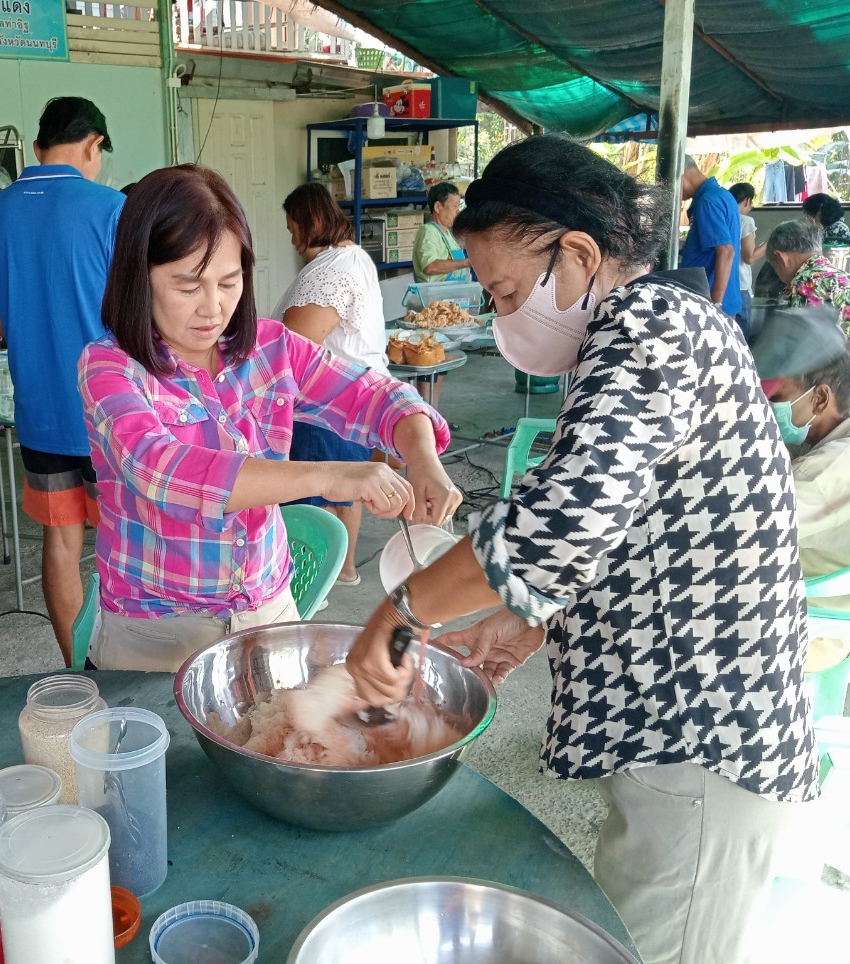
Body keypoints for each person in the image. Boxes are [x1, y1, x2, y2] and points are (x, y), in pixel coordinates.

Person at [346, 136, 817, 964]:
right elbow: (631, 523)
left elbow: (560, 522)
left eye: (505, 291)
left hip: (702, 741)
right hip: (681, 738)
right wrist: (531, 623)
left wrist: (400, 611)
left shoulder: (647, 326)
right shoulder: (648, 332)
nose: (499, 316)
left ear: (579, 254)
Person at [78, 165, 462, 673]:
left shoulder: (270, 347)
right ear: (138, 277)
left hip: (268, 612)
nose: (212, 308)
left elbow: (377, 394)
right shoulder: (110, 367)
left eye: (229, 282)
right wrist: (332, 475)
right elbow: (161, 470)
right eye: (187, 286)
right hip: (156, 631)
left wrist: (421, 456)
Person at [0, 96, 125, 666]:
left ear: (38, 148)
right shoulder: (111, 208)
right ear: (93, 145)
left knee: (61, 542)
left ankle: (76, 665)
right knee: (127, 544)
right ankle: (124, 666)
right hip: (112, 416)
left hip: (39, 413)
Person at [274, 181, 392, 587]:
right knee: (346, 489)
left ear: (313, 221)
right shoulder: (351, 260)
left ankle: (311, 579)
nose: (292, 239)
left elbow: (296, 347)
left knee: (316, 495)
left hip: (324, 406)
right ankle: (343, 569)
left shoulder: (335, 269)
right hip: (350, 401)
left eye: (294, 229)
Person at [751, 305, 850, 675]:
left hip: (810, 623)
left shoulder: (831, 468)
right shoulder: (829, 445)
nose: (768, 411)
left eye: (777, 400)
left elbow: (750, 527)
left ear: (820, 398)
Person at [680, 155, 743, 327]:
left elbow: (727, 251)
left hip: (710, 302)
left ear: (680, 174)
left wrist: (715, 306)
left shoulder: (708, 202)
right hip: (721, 300)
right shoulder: (722, 195)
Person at [766, 218, 850, 329]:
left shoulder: (804, 284)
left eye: (774, 266)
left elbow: (800, 341)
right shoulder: (844, 276)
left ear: (780, 258)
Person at [412, 181, 471, 282]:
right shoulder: (428, 231)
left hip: (452, 295)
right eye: (455, 206)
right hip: (435, 296)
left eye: (459, 206)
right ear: (438, 207)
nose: (458, 211)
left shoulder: (448, 234)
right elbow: (429, 266)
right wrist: (466, 263)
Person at [729, 182, 765, 328]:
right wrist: (770, 242)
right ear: (747, 201)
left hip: (721, 282)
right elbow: (749, 257)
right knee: (741, 333)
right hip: (740, 284)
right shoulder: (745, 221)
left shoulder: (722, 217)